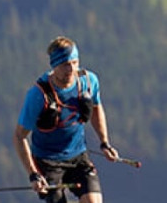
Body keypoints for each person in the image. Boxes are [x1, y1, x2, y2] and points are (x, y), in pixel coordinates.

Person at [14, 36, 121, 202]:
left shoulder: (88, 82)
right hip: (47, 161)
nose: (71, 69)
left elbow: (96, 108)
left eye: (75, 62)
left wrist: (104, 142)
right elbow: (19, 136)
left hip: (78, 156)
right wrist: (33, 174)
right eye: (65, 64)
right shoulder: (38, 95)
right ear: (54, 66)